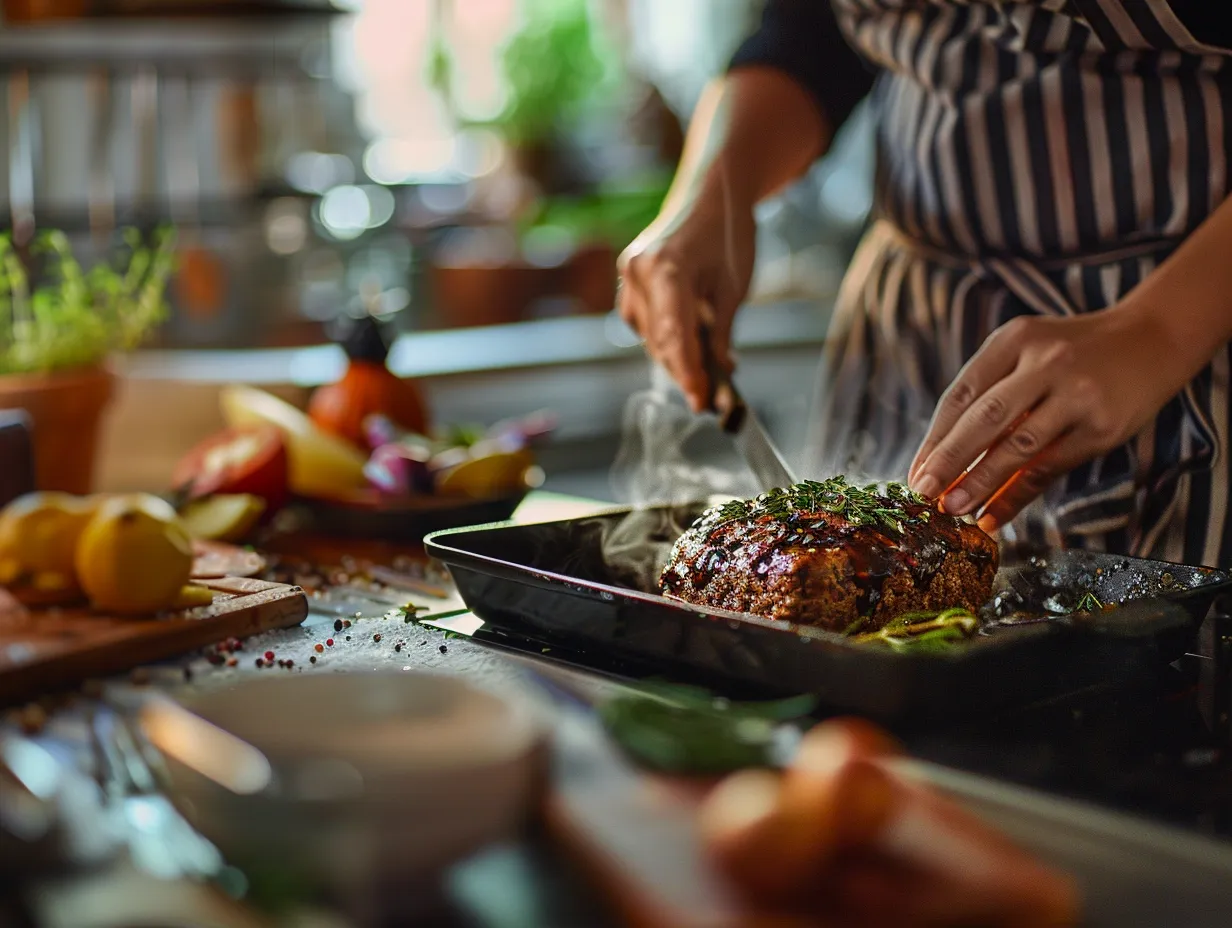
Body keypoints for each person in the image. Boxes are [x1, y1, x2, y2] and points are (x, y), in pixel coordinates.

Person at [616, 0, 1232, 568]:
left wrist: (1158, 329)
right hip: (906, 319)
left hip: (1175, 326)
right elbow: (812, 31)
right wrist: (712, 193)